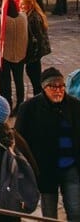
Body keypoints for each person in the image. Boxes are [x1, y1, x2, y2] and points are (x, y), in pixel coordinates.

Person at [14, 67, 80, 221]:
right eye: (53, 87)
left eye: (61, 86)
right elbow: (19, 141)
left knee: (75, 210)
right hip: (45, 170)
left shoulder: (75, 106)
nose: (59, 90)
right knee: (49, 215)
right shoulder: (28, 108)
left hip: (71, 168)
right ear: (44, 88)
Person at [0, 0, 28, 112]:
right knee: (19, 80)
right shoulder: (23, 17)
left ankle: (7, 104)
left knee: (5, 81)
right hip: (20, 53)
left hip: (4, 55)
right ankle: (20, 104)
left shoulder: (2, 21)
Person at [20, 0, 50, 96]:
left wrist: (32, 55)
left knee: (34, 76)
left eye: (22, 5)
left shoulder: (33, 18)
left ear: (29, 5)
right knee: (34, 74)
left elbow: (38, 38)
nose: (20, 7)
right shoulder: (33, 15)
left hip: (35, 53)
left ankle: (39, 97)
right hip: (36, 52)